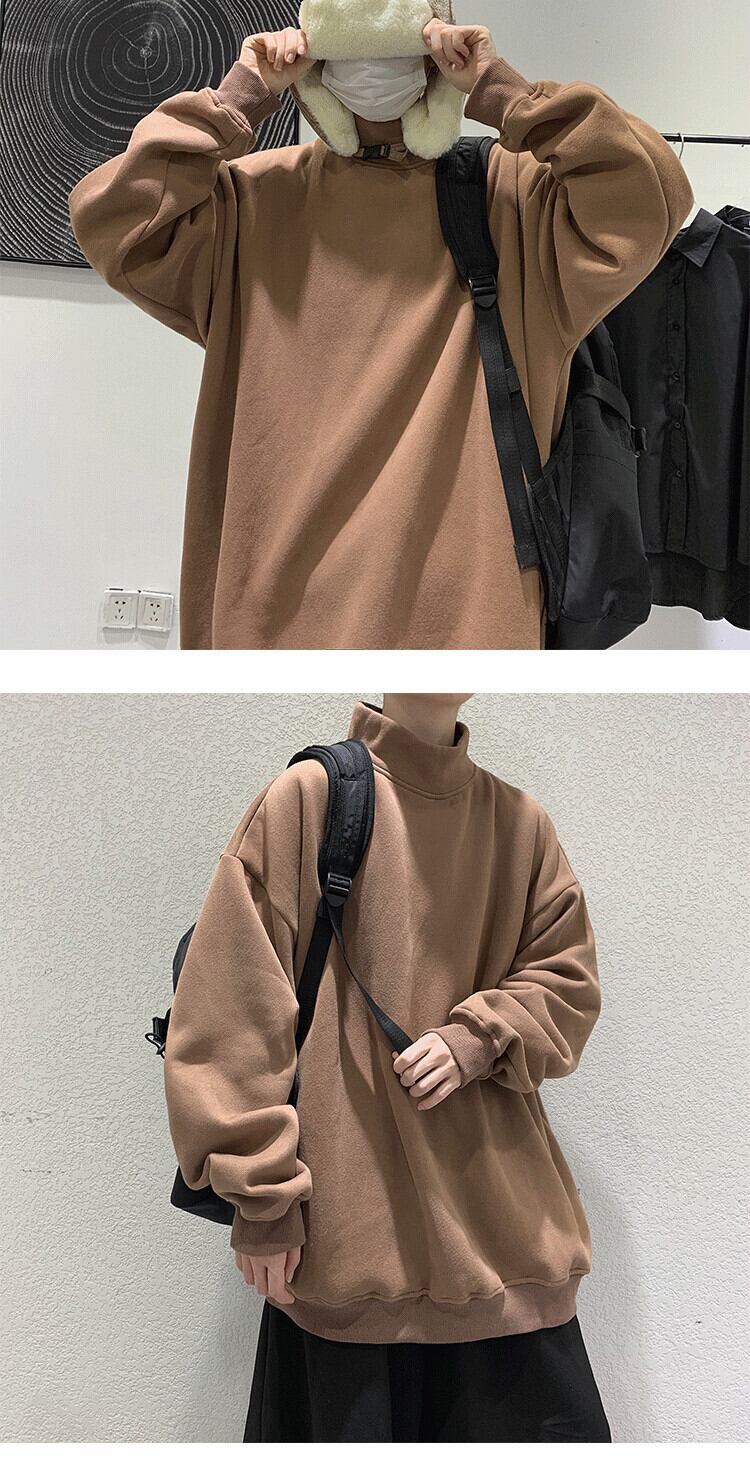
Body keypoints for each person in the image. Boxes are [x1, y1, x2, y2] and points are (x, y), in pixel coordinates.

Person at [67, 6, 694, 651]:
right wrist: (239, 97)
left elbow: (652, 196)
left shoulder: (513, 199)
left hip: (461, 629)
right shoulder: (249, 202)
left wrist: (503, 91)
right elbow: (115, 220)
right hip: (276, 624)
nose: (371, 65)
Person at [163, 694, 612, 1441]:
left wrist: (479, 1037)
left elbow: (569, 984)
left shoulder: (519, 823)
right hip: (351, 1266)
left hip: (504, 1259)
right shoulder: (309, 800)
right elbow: (229, 1016)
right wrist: (264, 1204)